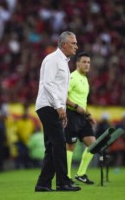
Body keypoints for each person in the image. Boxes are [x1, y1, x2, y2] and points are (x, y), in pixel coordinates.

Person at [34, 31, 80, 192]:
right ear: (64, 44)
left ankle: (43, 184)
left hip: (52, 106)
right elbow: (47, 84)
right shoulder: (53, 59)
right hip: (48, 105)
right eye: (73, 43)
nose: (76, 46)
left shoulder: (63, 61)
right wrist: (58, 106)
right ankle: (63, 182)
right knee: (59, 143)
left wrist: (63, 109)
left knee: (52, 146)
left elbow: (59, 89)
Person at [65, 52, 96, 185]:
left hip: (82, 117)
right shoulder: (72, 77)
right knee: (70, 146)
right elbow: (62, 97)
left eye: (88, 62)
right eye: (84, 62)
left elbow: (83, 101)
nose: (87, 64)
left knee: (93, 145)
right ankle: (66, 177)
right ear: (77, 63)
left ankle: (81, 174)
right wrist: (76, 106)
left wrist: (88, 114)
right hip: (71, 114)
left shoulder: (85, 79)